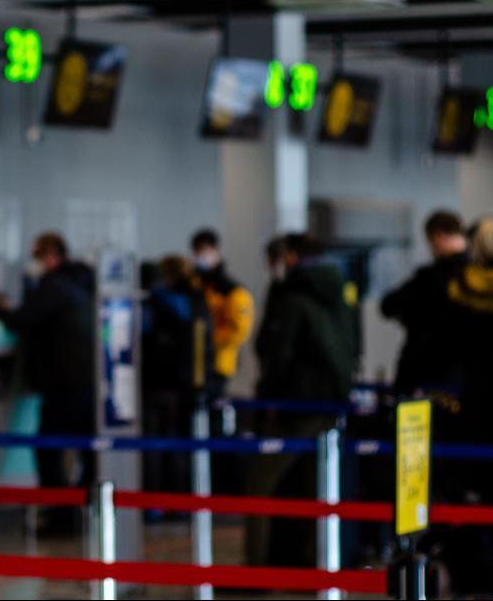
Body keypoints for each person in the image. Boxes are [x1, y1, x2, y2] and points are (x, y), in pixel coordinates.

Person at [246, 233, 355, 568]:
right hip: (330, 401)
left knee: (259, 484)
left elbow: (279, 353)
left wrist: (267, 398)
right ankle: (315, 562)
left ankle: (257, 569)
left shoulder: (291, 297)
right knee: (315, 485)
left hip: (295, 403)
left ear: (290, 257)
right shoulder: (339, 292)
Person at [0, 232, 95, 533]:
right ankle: (83, 510)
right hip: (83, 380)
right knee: (85, 450)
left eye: (36, 255)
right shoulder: (78, 284)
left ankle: (62, 517)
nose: (33, 262)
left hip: (65, 382)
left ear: (51, 256)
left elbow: (23, 319)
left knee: (48, 449)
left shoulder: (54, 286)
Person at [440, 216, 493, 596]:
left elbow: (446, 348)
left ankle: (482, 575)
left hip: (476, 409)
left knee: (478, 497)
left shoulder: (461, 288)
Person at [141, 255, 213, 494]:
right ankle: (181, 498)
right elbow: (205, 345)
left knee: (154, 443)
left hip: (156, 382)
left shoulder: (155, 301)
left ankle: (155, 502)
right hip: (187, 384)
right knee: (179, 441)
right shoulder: (197, 300)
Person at [380, 209, 467, 397]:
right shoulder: (477, 277)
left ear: (437, 236)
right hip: (466, 375)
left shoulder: (428, 279)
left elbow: (388, 306)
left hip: (427, 372)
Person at [190, 228, 255, 397]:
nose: (201, 255)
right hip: (195, 363)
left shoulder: (231, 290)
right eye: (197, 250)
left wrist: (209, 340)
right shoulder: (196, 285)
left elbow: (239, 330)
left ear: (216, 250)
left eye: (205, 250)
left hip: (219, 363)